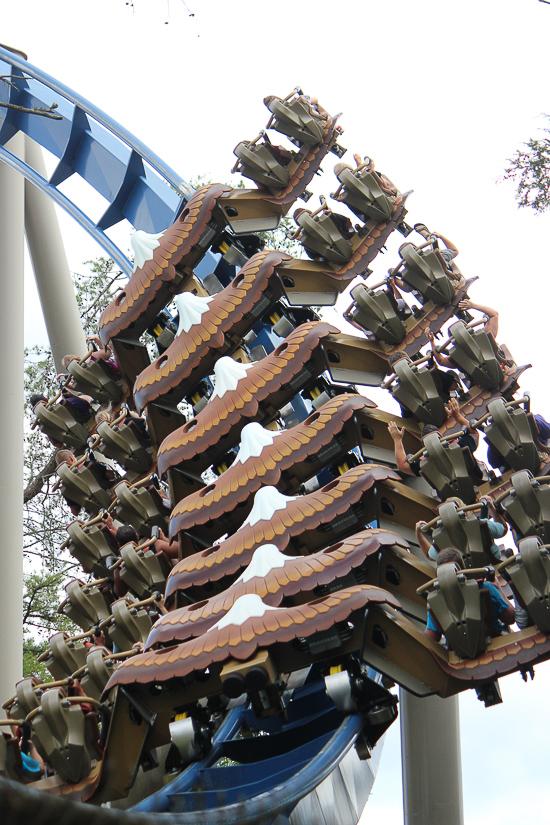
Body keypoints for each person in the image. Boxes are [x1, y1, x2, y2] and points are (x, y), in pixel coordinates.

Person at [424, 547, 515, 642]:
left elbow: (432, 637)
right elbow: (510, 617)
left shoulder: (435, 602)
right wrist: (498, 588)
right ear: (463, 569)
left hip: (461, 651)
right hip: (493, 640)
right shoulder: (487, 587)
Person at [415, 494, 508, 564]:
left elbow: (429, 555)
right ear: (466, 511)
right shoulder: (483, 524)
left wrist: (418, 534)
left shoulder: (442, 540)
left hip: (468, 575)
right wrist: (491, 507)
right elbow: (503, 529)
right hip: (492, 564)